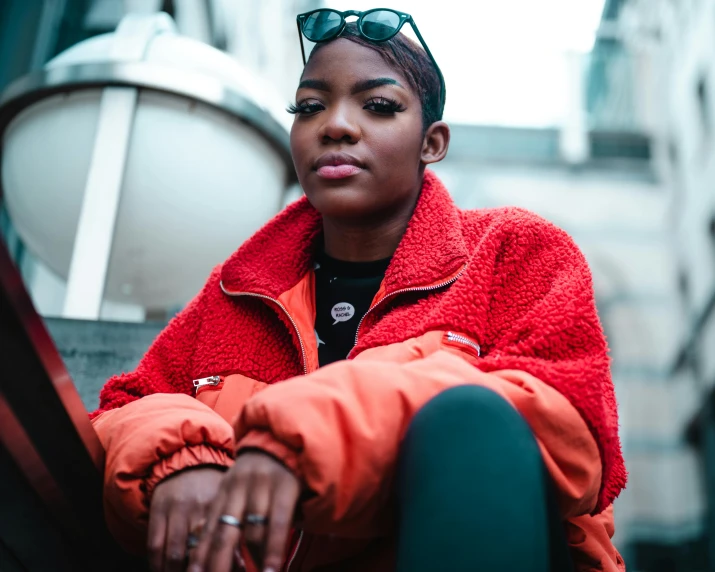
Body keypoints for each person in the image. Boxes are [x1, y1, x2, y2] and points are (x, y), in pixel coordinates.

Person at [91, 8, 627, 572]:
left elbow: (569, 428)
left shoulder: (514, 250)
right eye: (310, 106)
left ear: (432, 142)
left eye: (378, 106)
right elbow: (122, 408)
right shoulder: (234, 292)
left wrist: (312, 433)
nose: (336, 126)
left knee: (472, 412)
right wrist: (180, 457)